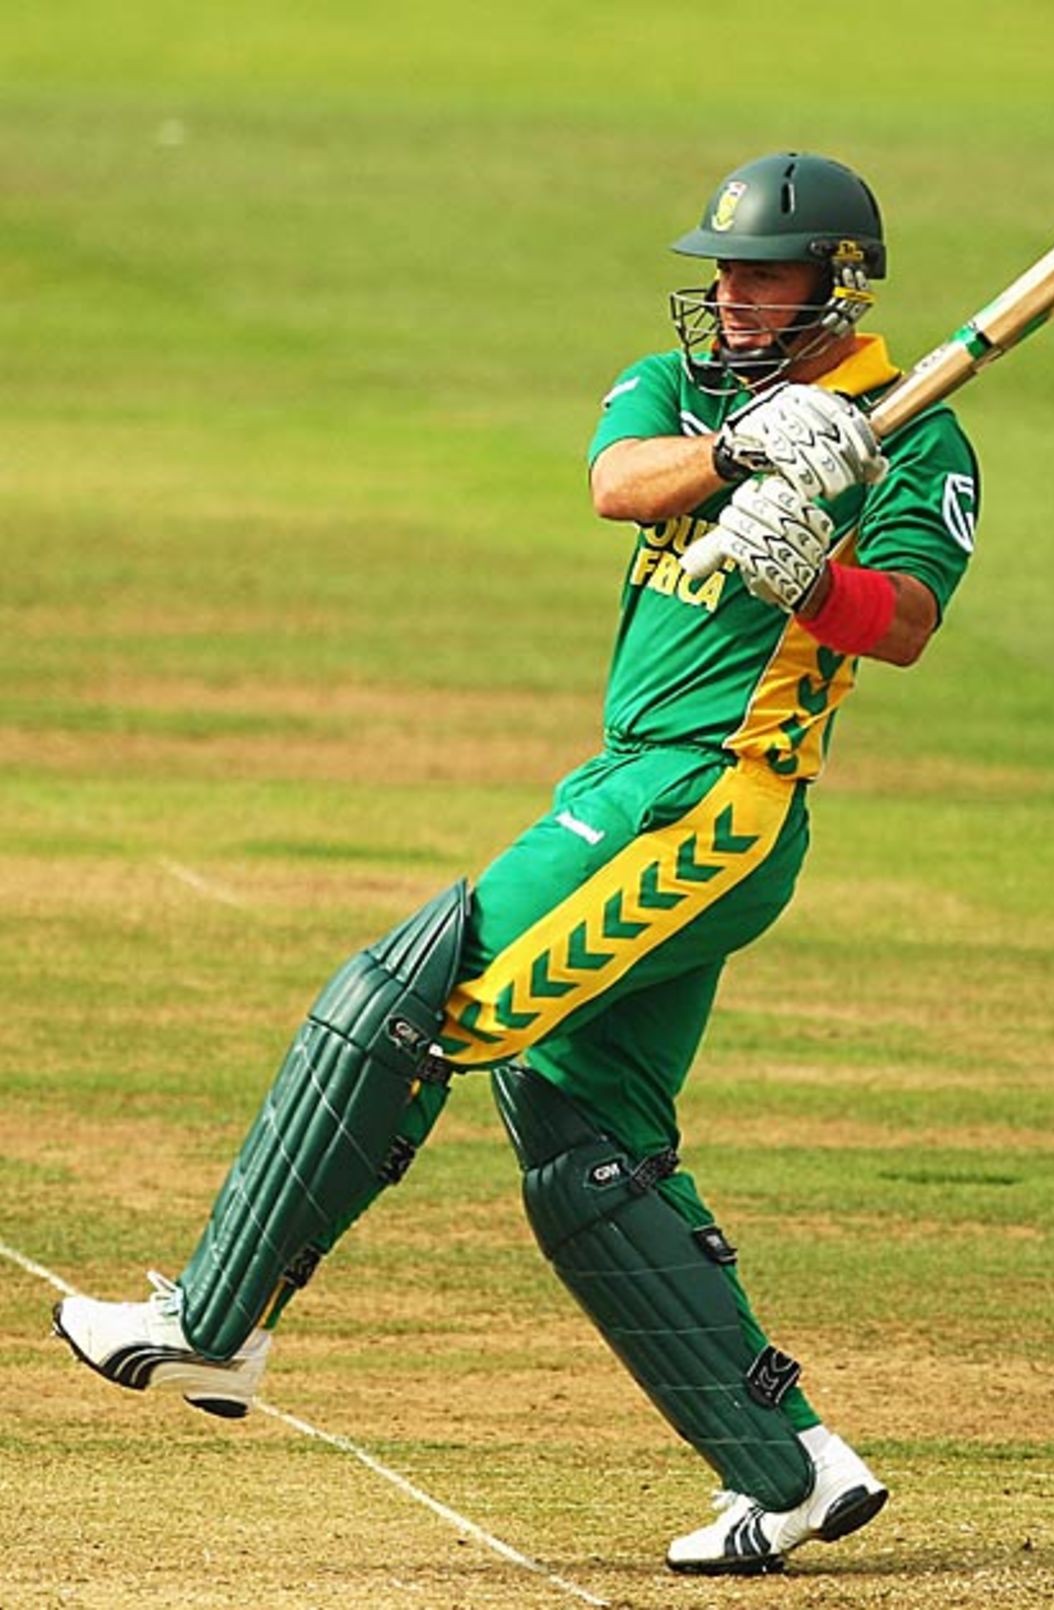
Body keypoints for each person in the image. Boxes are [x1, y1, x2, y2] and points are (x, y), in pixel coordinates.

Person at [52, 150, 979, 1576]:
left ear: (837, 283)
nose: (729, 298)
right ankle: (788, 1470)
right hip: (629, 776)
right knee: (580, 1130)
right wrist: (745, 453)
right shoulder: (683, 392)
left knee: (398, 1000)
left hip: (717, 799)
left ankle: (216, 1320)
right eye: (721, 272)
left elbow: (904, 619)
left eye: (763, 275)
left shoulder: (916, 440)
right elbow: (618, 482)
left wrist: (812, 575)